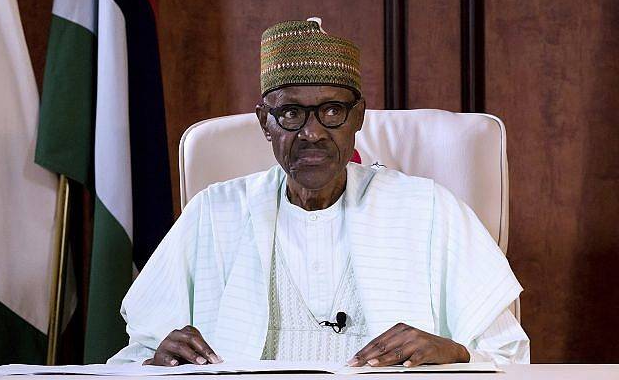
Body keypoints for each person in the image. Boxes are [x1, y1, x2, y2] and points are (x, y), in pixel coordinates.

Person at [108, 18, 529, 367]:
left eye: (332, 111)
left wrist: (455, 353)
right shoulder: (212, 214)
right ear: (264, 122)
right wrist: (155, 361)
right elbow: (134, 356)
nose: (312, 133)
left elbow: (511, 355)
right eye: (291, 113)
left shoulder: (430, 209)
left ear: (358, 117)